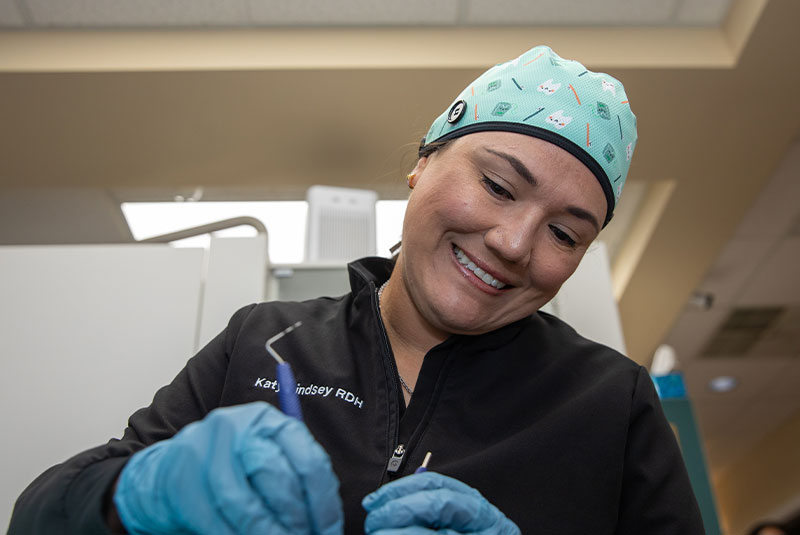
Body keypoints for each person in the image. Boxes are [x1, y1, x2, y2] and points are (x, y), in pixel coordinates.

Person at [9, 45, 704, 534]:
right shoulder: (266, 341)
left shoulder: (611, 404)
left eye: (565, 233)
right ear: (424, 163)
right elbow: (39, 514)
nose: (515, 243)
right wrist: (133, 495)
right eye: (497, 185)